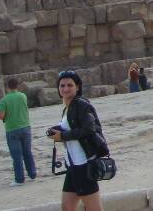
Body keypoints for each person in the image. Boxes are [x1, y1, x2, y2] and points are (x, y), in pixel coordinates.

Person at [47, 71, 109, 211]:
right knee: (67, 207)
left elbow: (89, 129)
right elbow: (73, 128)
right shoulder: (67, 108)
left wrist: (63, 136)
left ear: (78, 87)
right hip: (72, 165)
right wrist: (58, 132)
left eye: (70, 85)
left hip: (84, 164)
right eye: (62, 85)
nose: (65, 89)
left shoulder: (81, 104)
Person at [0, 77, 37, 186]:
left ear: (7, 87)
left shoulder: (4, 100)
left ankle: (19, 179)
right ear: (17, 85)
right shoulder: (23, 96)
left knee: (17, 156)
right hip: (25, 127)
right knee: (27, 152)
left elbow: (1, 116)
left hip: (12, 129)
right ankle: (32, 173)